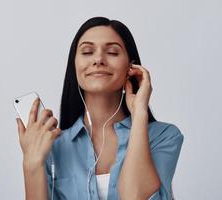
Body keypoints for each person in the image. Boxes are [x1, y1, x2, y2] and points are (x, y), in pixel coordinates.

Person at [16, 16, 184, 200]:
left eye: (112, 52)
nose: (98, 59)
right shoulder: (51, 146)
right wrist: (31, 164)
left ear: (131, 67)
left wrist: (140, 112)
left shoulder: (163, 137)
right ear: (75, 66)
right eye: (87, 52)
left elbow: (135, 196)